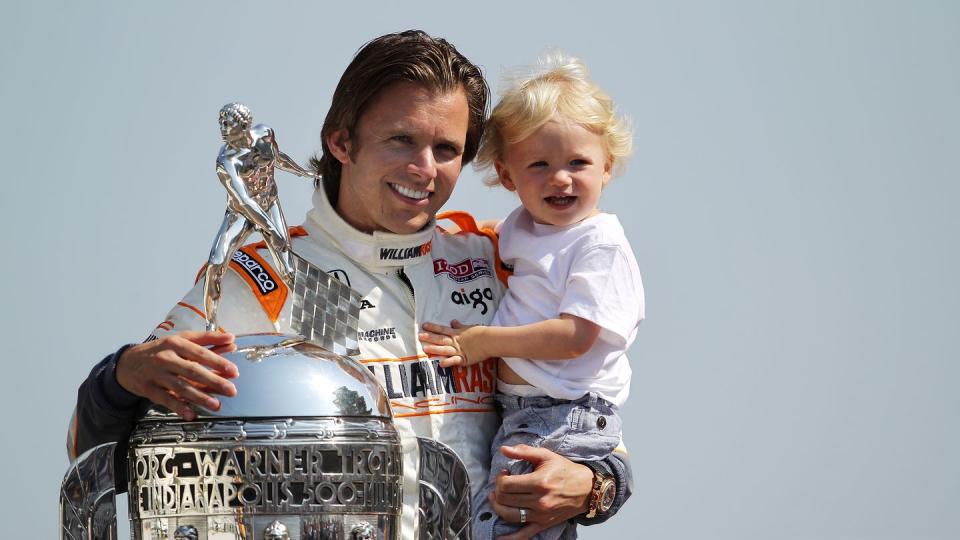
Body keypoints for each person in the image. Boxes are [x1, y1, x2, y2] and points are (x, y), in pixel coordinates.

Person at [67, 31, 632, 540]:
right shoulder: (262, 279)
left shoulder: (496, 257)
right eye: (400, 140)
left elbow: (591, 417)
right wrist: (120, 377)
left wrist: (592, 485)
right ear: (341, 142)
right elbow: (93, 451)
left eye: (446, 150)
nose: (425, 169)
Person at [419, 55, 643, 540]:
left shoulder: (598, 244)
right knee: (505, 515)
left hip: (562, 410)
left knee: (508, 519)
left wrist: (484, 342)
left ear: (607, 167)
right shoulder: (517, 231)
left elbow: (577, 336)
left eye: (578, 163)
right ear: (506, 175)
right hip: (525, 408)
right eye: (539, 164)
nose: (560, 178)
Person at [204, 102, 317, 331]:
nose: (223, 129)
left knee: (288, 269)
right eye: (221, 124)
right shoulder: (226, 162)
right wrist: (271, 230)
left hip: (269, 203)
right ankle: (210, 326)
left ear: (244, 124)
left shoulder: (265, 134)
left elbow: (278, 158)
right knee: (215, 264)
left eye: (228, 123)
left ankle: (313, 322)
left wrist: (304, 173)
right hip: (241, 213)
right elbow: (244, 201)